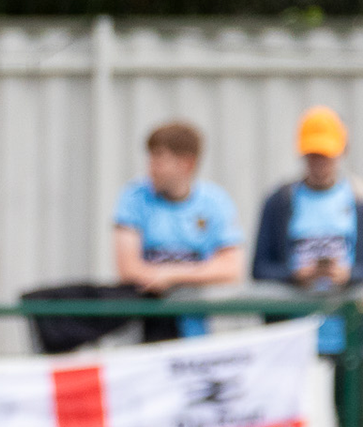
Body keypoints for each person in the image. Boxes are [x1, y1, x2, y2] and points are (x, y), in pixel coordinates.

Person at [112, 121, 245, 339]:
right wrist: (196, 273)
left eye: (159, 159)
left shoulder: (216, 202)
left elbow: (231, 269)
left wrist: (170, 275)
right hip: (146, 330)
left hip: (198, 332)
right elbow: (128, 268)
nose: (151, 168)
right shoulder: (134, 197)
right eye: (150, 158)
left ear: (187, 163)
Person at [252, 106, 362, 355]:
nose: (319, 163)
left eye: (325, 154)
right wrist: (296, 274)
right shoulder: (280, 201)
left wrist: (348, 275)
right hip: (292, 337)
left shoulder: (357, 200)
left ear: (342, 151)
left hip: (350, 338)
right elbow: (260, 268)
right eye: (313, 154)